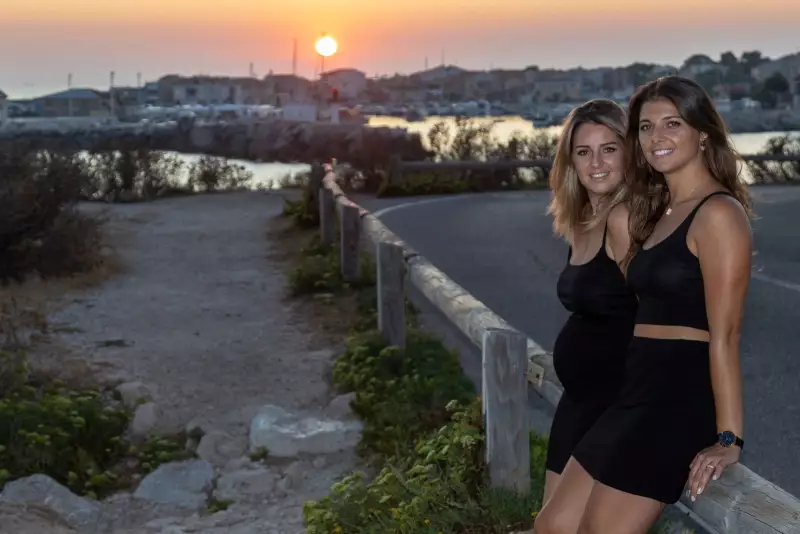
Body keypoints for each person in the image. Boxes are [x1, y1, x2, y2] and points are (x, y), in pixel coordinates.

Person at [533, 75, 753, 534]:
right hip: (633, 394)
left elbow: (726, 334)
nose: (657, 138)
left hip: (674, 401)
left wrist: (729, 437)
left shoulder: (719, 213)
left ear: (703, 132)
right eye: (647, 127)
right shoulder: (660, 214)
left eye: (672, 123)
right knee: (553, 526)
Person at [541, 98, 638, 506]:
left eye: (609, 149)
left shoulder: (630, 221)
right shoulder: (580, 221)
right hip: (578, 401)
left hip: (616, 406)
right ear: (571, 163)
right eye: (583, 152)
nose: (596, 162)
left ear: (629, 153)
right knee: (550, 525)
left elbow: (666, 316)